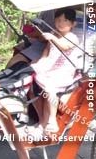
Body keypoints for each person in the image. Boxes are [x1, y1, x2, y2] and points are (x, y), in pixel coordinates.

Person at [27, 8, 80, 139]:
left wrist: (51, 37)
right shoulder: (54, 33)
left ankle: (52, 120)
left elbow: (65, 46)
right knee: (29, 82)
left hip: (63, 72)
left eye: (65, 20)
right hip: (50, 69)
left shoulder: (72, 38)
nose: (61, 23)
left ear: (73, 24)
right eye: (58, 20)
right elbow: (47, 50)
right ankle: (41, 120)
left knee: (49, 89)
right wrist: (41, 61)